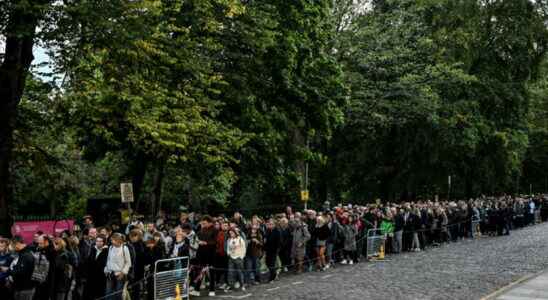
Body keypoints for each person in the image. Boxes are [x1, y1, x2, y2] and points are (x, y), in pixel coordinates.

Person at [189, 215, 217, 297]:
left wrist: (206, 243)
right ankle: (197, 290)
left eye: (204, 223)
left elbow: (215, 242)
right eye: (202, 223)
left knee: (211, 272)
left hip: (211, 254)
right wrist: (198, 241)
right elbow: (196, 238)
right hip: (201, 253)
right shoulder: (201, 229)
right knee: (200, 271)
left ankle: (212, 289)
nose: (203, 224)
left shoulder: (215, 230)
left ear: (210, 222)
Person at [104, 233, 131, 300]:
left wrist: (123, 273)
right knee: (108, 293)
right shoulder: (111, 247)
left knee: (119, 294)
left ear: (118, 240)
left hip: (120, 274)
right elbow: (108, 259)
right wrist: (106, 270)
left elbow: (128, 263)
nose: (112, 242)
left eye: (113, 240)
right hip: (110, 274)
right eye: (111, 240)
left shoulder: (125, 248)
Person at [8, 236, 36, 300]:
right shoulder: (22, 253)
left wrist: (10, 271)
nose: (12, 247)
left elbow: (21, 271)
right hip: (21, 287)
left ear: (17, 243)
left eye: (12, 245)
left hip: (25, 289)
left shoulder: (27, 255)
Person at [83, 235, 108, 300]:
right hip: (90, 276)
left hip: (100, 277)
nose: (98, 243)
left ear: (104, 242)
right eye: (97, 241)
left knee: (99, 295)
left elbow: (103, 263)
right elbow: (88, 261)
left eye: (100, 241)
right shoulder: (93, 249)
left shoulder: (107, 251)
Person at [263, 218, 280, 282]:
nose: (270, 225)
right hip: (268, 250)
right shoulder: (267, 231)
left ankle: (271, 278)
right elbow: (265, 239)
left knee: (272, 264)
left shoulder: (277, 231)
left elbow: (278, 242)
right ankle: (274, 274)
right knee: (267, 263)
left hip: (274, 250)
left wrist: (277, 250)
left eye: (271, 224)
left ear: (274, 225)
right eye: (269, 224)